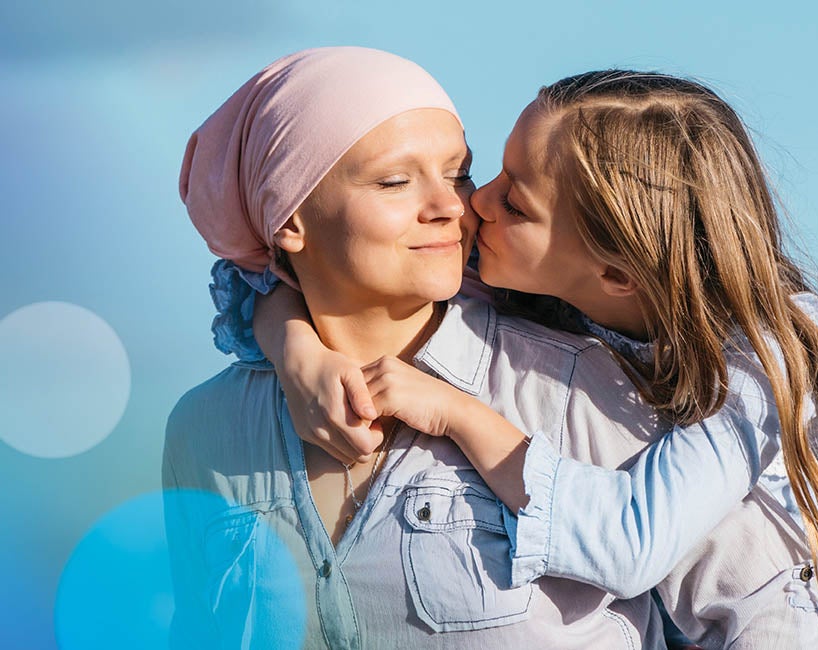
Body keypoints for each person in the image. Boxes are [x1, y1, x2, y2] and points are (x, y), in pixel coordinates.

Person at [242, 71, 818, 647]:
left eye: (517, 203)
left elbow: (632, 544)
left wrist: (454, 412)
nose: (475, 203)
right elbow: (273, 266)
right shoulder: (540, 276)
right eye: (493, 174)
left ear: (614, 271)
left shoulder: (774, 347)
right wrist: (298, 352)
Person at [164, 47, 669, 649]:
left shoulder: (576, 386)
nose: (453, 206)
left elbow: (741, 608)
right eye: (396, 181)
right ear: (289, 219)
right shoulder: (204, 429)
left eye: (459, 173)